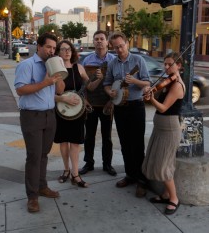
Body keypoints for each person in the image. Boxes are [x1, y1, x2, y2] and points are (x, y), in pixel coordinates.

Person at [14, 32, 65, 213]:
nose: (52, 51)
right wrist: (45, 82)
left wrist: (57, 75)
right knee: (34, 157)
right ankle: (32, 197)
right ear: (39, 46)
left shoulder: (53, 64)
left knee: (44, 154)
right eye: (49, 47)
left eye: (54, 48)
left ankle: (42, 186)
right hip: (32, 116)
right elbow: (20, 89)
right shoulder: (27, 65)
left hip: (49, 115)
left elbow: (60, 89)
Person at [103, 32, 151, 197]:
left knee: (137, 145)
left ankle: (142, 180)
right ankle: (130, 175)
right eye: (115, 47)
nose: (119, 50)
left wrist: (135, 81)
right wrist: (110, 92)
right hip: (120, 108)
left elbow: (147, 82)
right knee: (124, 143)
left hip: (136, 106)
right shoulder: (112, 63)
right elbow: (107, 84)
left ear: (127, 43)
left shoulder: (139, 61)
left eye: (121, 46)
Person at [54, 40, 103, 188]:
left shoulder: (79, 68)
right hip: (61, 111)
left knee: (75, 142)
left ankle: (75, 174)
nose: (67, 52)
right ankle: (66, 170)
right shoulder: (55, 70)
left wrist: (98, 78)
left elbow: (90, 87)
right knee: (63, 141)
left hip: (78, 111)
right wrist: (63, 97)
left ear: (72, 51)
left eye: (69, 49)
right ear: (58, 53)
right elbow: (51, 93)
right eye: (63, 49)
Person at [142, 52, 186, 215]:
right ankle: (167, 194)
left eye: (170, 64)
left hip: (169, 128)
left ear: (179, 66)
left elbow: (163, 108)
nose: (166, 67)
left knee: (164, 165)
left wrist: (151, 98)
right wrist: (150, 89)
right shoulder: (168, 82)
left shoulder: (176, 85)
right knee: (159, 161)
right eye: (165, 64)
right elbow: (158, 95)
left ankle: (174, 198)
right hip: (161, 127)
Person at [79, 30, 117, 176]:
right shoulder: (87, 61)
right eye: (96, 39)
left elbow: (117, 83)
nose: (99, 41)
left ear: (107, 42)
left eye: (102, 39)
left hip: (107, 104)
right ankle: (89, 163)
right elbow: (83, 83)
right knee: (89, 136)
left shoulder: (114, 60)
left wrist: (112, 101)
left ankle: (107, 164)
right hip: (91, 105)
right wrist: (85, 99)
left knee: (107, 137)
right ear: (93, 42)